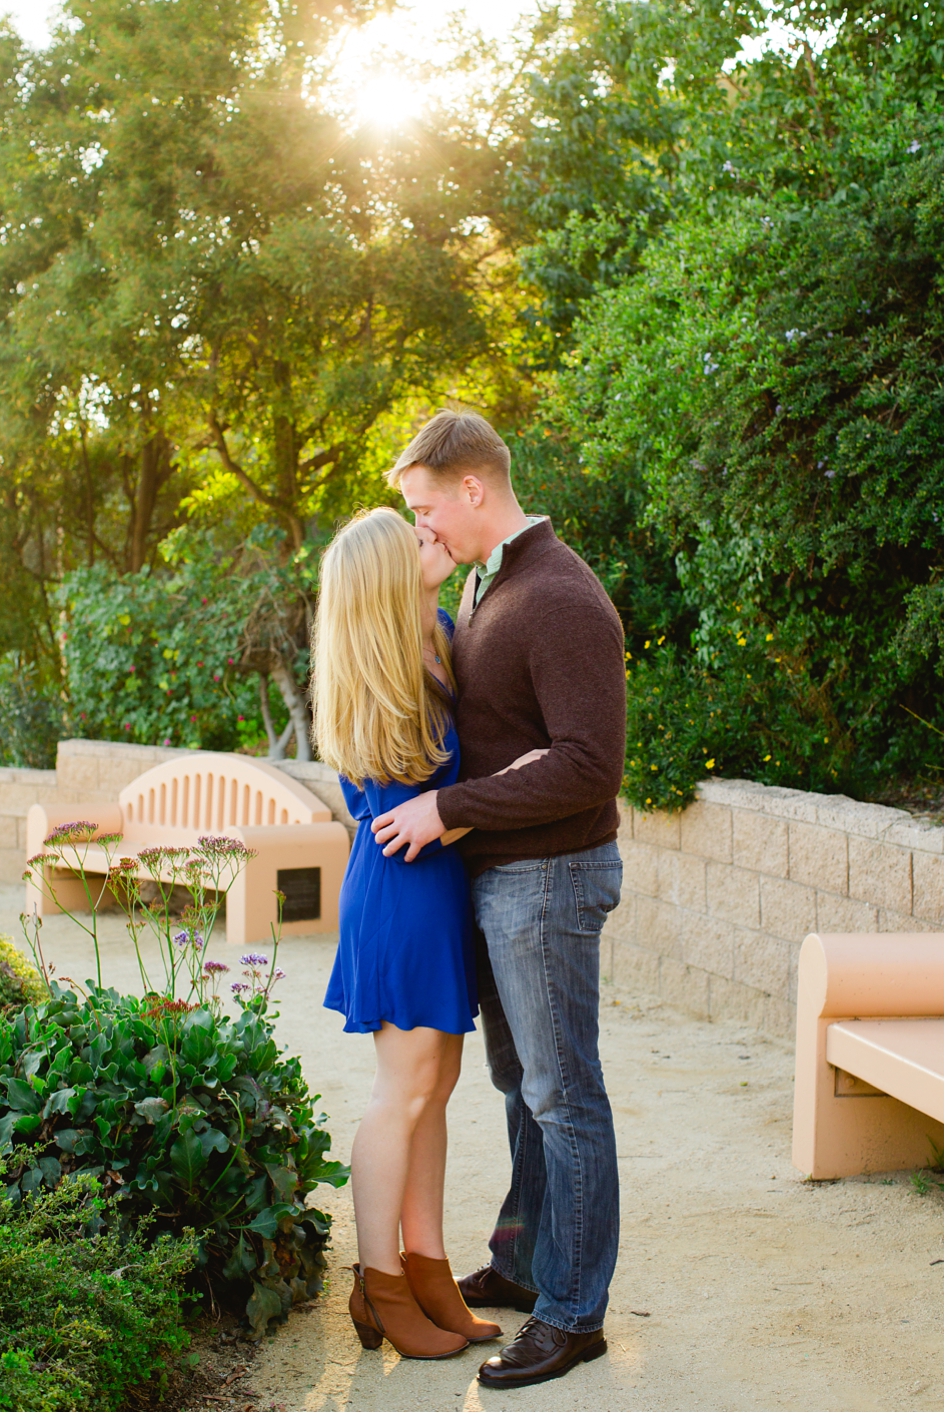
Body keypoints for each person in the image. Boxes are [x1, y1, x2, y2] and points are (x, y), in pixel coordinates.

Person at [368, 409, 630, 1391]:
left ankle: (574, 1312)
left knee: (565, 1095)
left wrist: (449, 806)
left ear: (471, 488)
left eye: (425, 506)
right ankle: (526, 1264)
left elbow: (586, 766)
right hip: (505, 878)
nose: (420, 526)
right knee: (521, 1089)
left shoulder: (557, 595)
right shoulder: (490, 584)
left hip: (549, 878)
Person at [316, 507, 507, 1362]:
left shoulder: (435, 630)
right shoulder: (376, 664)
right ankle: (378, 1280)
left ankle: (428, 1269)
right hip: (400, 888)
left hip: (437, 889)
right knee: (402, 1090)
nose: (431, 536)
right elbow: (408, 814)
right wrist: (511, 792)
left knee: (436, 1083)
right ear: (386, 574)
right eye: (414, 539)